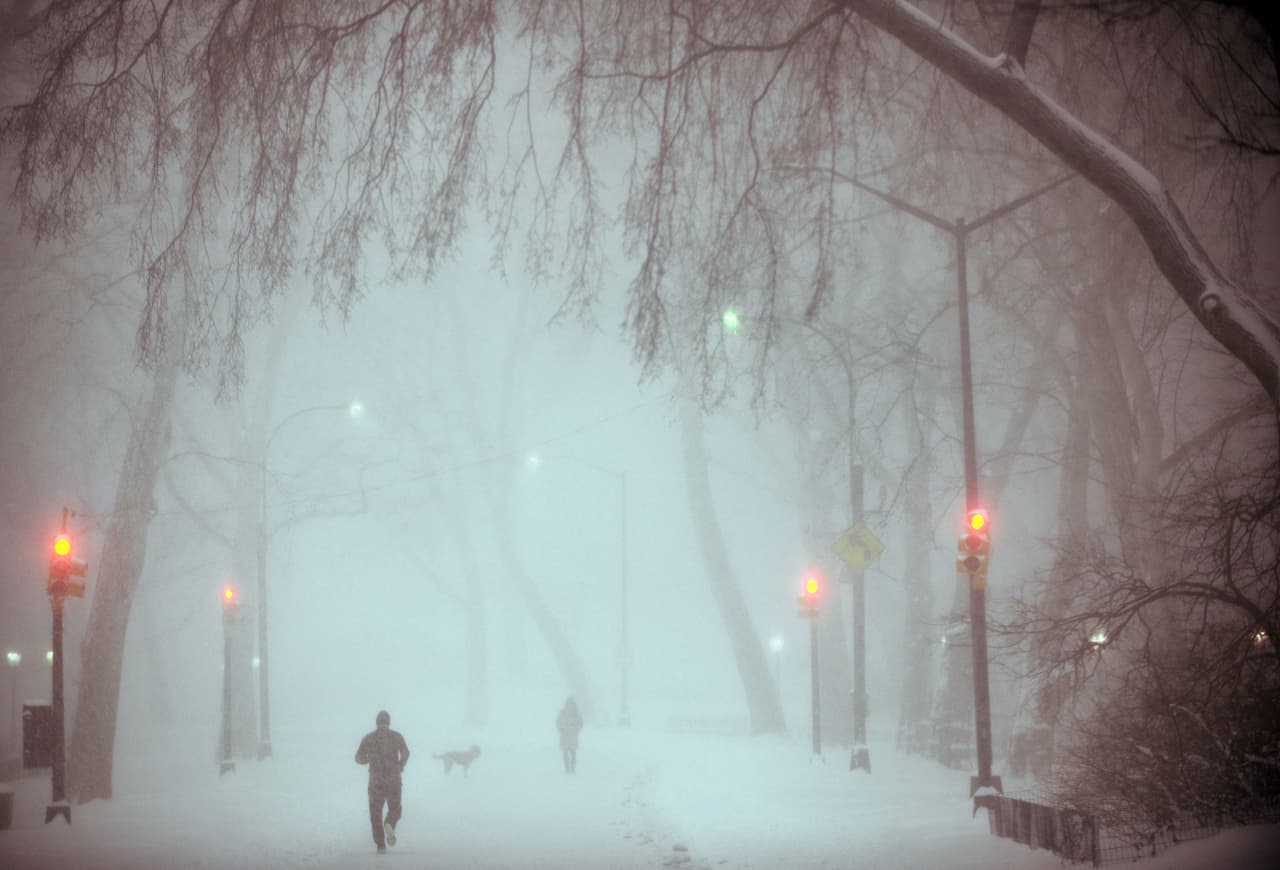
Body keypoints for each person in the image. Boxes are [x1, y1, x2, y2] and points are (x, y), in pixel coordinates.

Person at [355, 710, 411, 854]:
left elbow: (358, 758)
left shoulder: (368, 738)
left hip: (376, 780)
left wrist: (370, 760)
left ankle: (380, 845)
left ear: (377, 722)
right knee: (395, 808)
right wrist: (400, 765)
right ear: (388, 722)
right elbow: (406, 752)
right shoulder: (396, 736)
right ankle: (389, 824)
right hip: (393, 778)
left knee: (375, 812)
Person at [556, 696, 583, 773]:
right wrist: (561, 730)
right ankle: (568, 768)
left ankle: (572, 768)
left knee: (572, 752)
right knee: (566, 752)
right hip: (566, 735)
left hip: (571, 735)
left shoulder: (575, 714)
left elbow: (580, 723)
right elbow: (558, 723)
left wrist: (576, 730)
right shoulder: (564, 713)